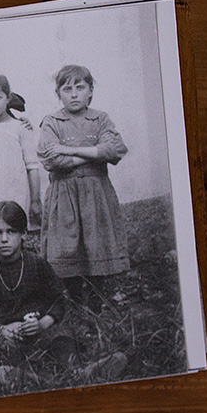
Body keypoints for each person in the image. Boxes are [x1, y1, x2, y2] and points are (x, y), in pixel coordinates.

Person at [38, 64, 130, 301]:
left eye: (80, 87)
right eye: (67, 89)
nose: (74, 94)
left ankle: (97, 299)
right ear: (58, 94)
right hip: (64, 193)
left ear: (90, 91)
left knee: (95, 239)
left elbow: (115, 149)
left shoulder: (100, 118)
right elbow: (52, 159)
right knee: (68, 244)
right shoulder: (52, 122)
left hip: (95, 192)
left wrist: (70, 150)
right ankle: (75, 299)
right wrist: (94, 154)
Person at [0, 201, 76, 385]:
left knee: (62, 335)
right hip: (4, 335)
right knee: (3, 347)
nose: (4, 239)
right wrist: (3, 330)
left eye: (11, 232)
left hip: (38, 329)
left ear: (23, 233)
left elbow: (58, 301)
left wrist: (42, 323)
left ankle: (77, 372)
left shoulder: (37, 264)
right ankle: (33, 379)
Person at [0, 75, 41, 231]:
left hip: (16, 194)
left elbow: (32, 167)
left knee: (14, 229)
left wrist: (35, 200)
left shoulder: (20, 128)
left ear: (8, 98)